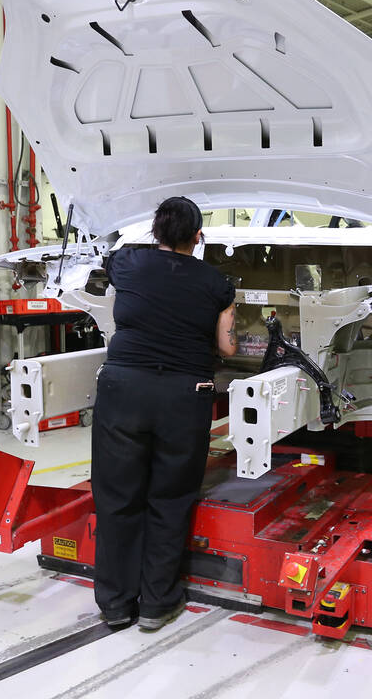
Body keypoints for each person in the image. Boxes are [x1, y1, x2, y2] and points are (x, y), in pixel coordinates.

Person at [90, 196, 237, 630]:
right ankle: (157, 604)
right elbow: (228, 347)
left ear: (156, 232)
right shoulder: (217, 284)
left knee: (117, 496)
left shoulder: (128, 262)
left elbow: (112, 255)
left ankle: (115, 604)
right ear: (199, 236)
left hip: (123, 389)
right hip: (183, 394)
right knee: (169, 498)